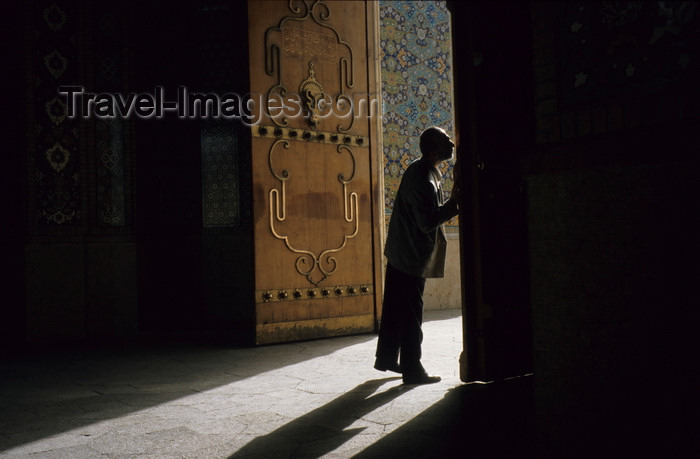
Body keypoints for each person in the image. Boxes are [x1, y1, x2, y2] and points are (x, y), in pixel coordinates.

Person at [374, 126, 461, 385]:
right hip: (409, 254)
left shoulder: (422, 169)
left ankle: (387, 358)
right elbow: (427, 222)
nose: (452, 144)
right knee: (411, 312)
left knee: (395, 308)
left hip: (403, 250)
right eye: (447, 141)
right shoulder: (423, 176)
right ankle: (412, 369)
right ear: (433, 149)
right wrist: (455, 204)